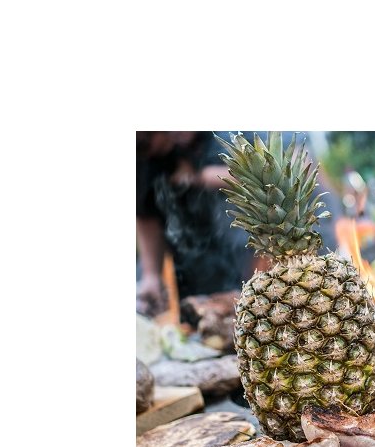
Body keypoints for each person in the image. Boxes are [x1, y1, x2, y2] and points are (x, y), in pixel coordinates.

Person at [136, 131, 337, 316]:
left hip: (275, 258)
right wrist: (151, 274)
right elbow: (145, 210)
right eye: (143, 144)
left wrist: (210, 176)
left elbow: (295, 163)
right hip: (205, 275)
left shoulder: (238, 131)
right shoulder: (150, 154)